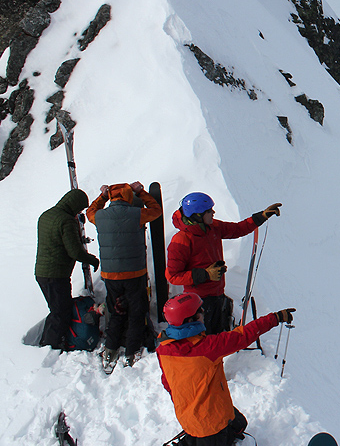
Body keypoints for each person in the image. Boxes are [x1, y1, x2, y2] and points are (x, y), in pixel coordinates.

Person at [157, 293, 295, 445]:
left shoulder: (163, 349)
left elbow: (167, 383)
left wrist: (189, 404)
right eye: (200, 311)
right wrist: (275, 318)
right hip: (211, 427)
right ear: (190, 320)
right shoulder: (207, 348)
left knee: (239, 424)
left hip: (188, 416)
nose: (204, 312)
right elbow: (243, 336)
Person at [166, 192, 281, 334]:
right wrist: (206, 274)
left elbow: (237, 229)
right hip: (198, 303)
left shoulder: (211, 227)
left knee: (219, 338)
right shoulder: (181, 241)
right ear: (197, 215)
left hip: (217, 295)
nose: (213, 212)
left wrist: (261, 217)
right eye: (208, 211)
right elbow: (173, 276)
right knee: (207, 342)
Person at [86, 181, 163, 370]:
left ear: (112, 198)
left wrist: (103, 196)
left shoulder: (100, 216)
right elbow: (156, 210)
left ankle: (110, 349)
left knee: (116, 311)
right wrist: (142, 192)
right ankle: (132, 350)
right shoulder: (137, 214)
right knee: (136, 313)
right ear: (129, 196)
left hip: (111, 276)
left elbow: (90, 212)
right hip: (134, 274)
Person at [35, 188, 100, 350]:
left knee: (57, 309)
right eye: (79, 208)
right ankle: (52, 345)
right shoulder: (66, 221)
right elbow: (75, 251)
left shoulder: (46, 215)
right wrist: (92, 259)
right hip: (56, 274)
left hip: (42, 272)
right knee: (61, 312)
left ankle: (50, 341)